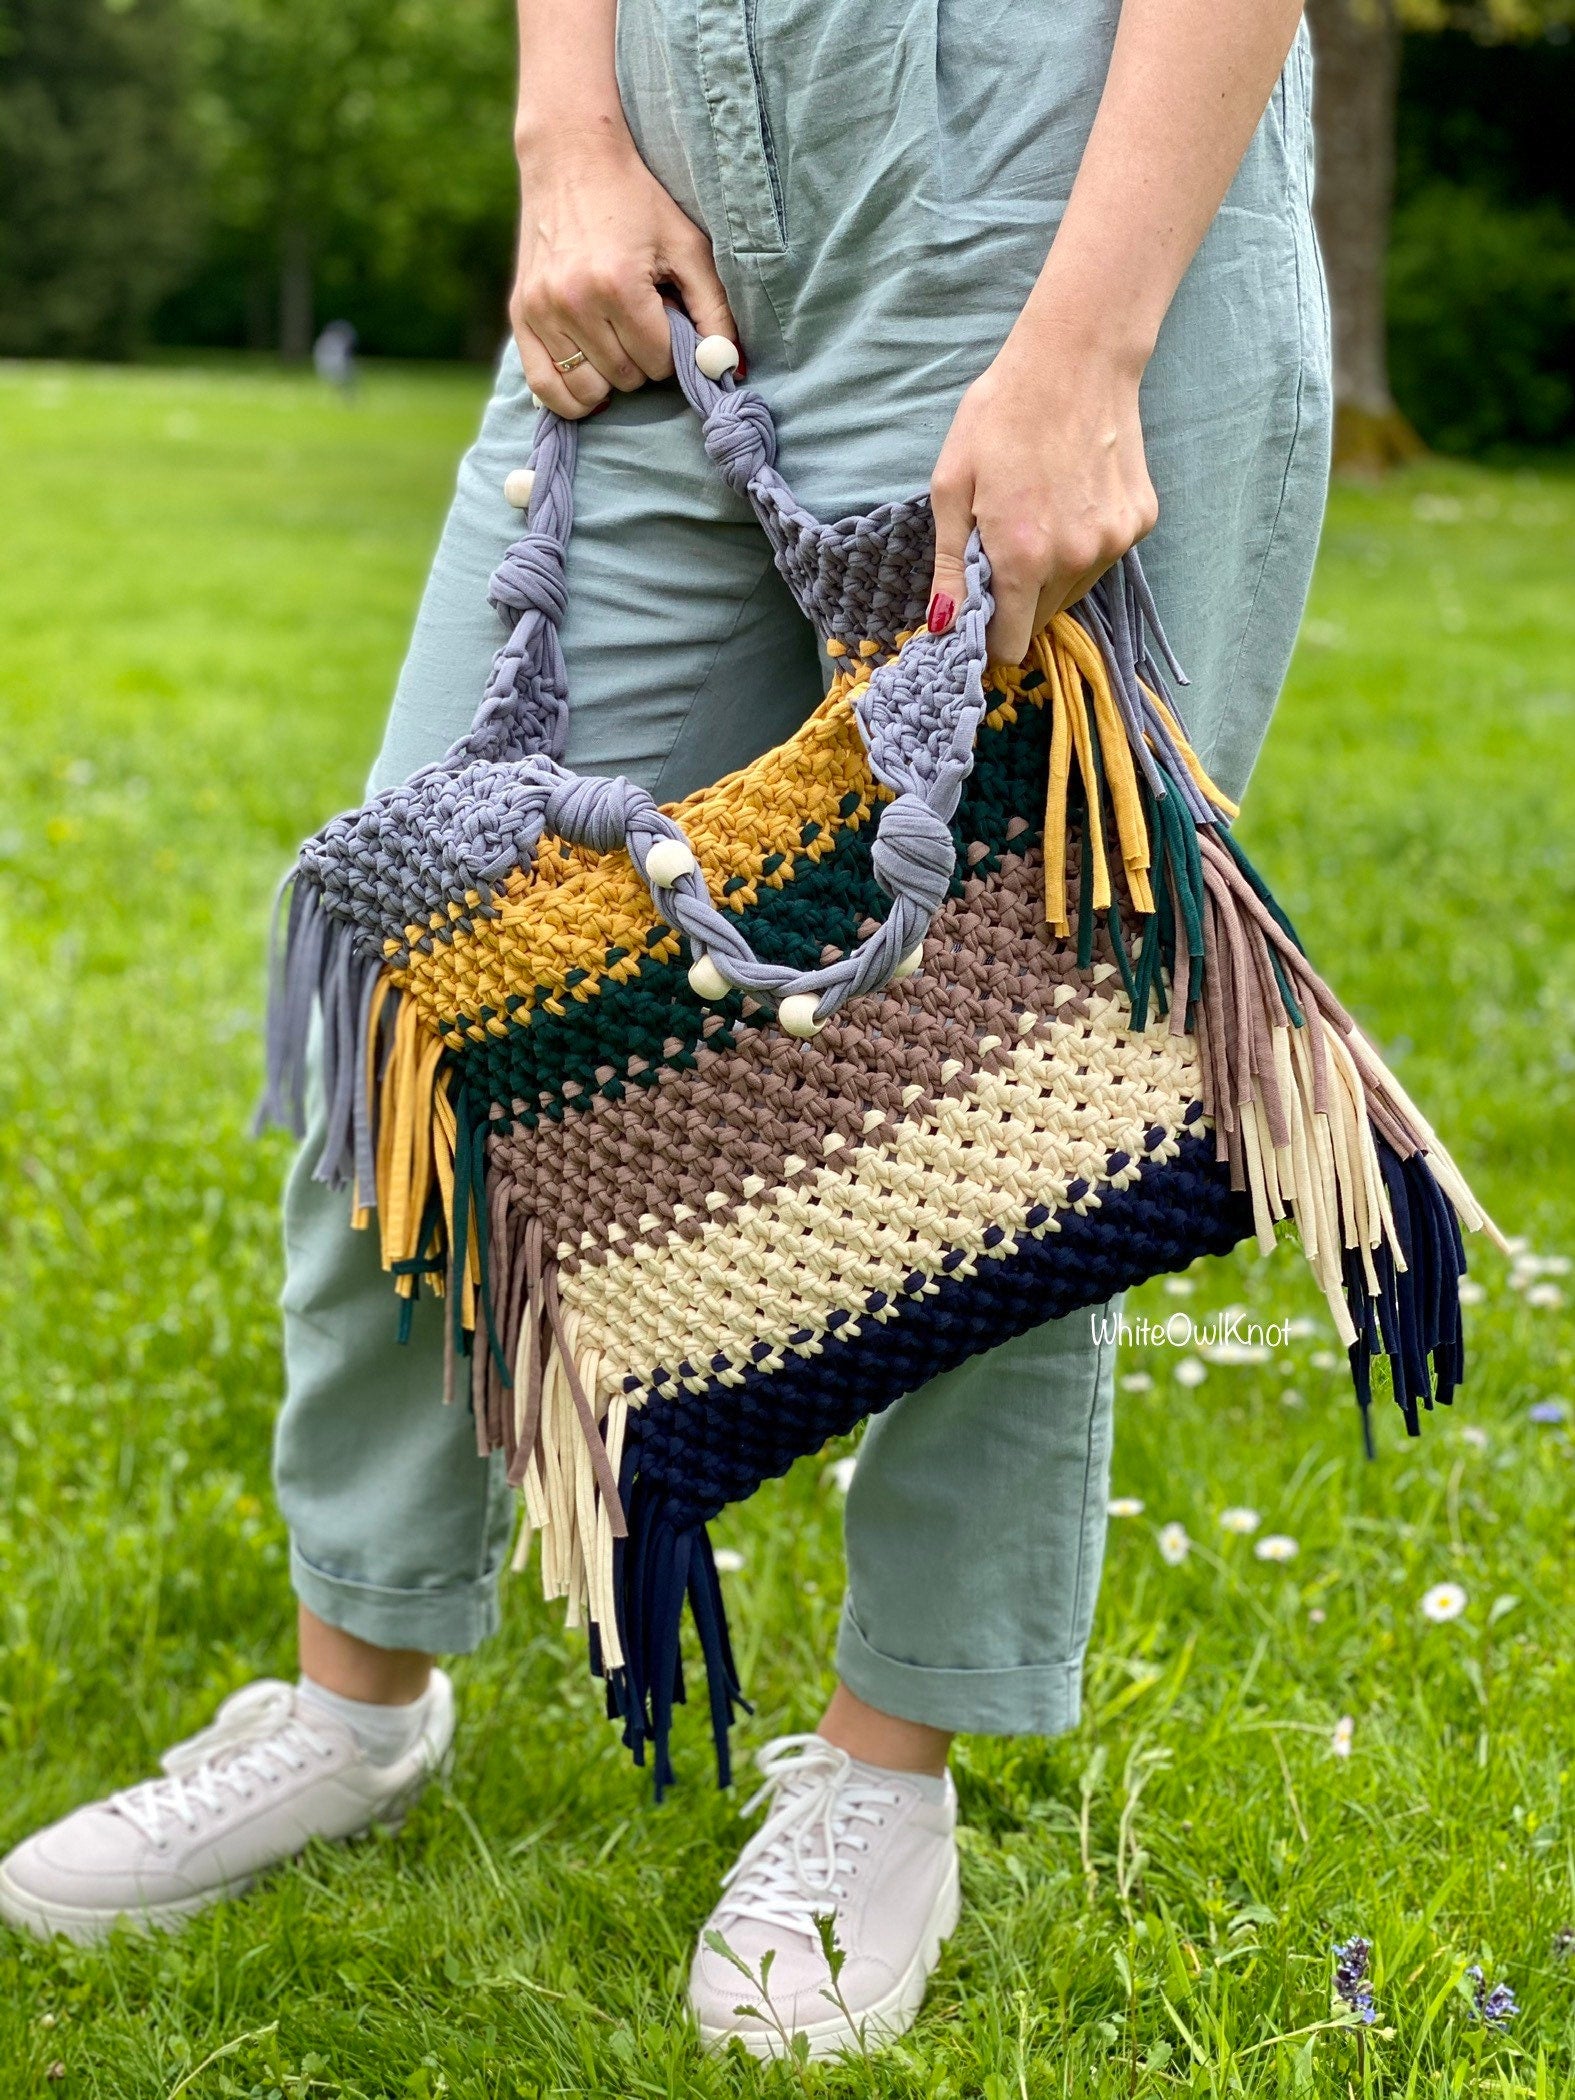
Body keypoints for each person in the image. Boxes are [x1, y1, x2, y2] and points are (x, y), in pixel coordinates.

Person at [0, 0, 1329, 2057]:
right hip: (679, 137)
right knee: (434, 940)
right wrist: (566, 127)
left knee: (1005, 1040)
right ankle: (353, 1690)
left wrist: (1085, 341)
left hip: (1035, 153)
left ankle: (882, 1763)